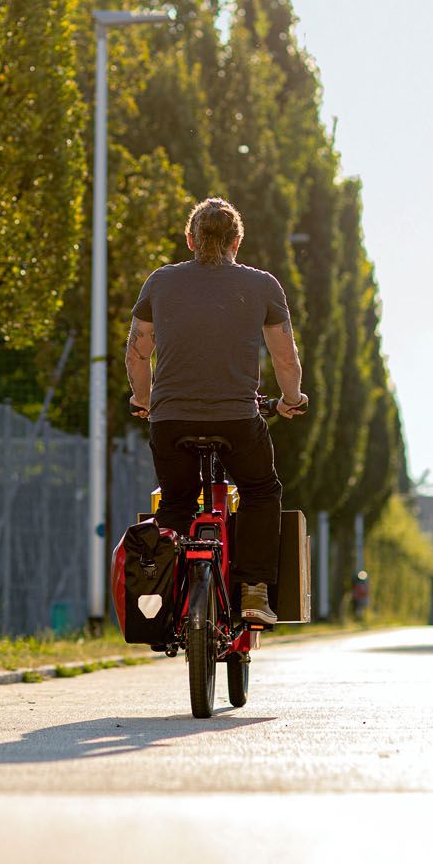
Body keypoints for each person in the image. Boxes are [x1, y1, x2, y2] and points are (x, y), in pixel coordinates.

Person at [125, 196, 307, 625]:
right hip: (238, 420)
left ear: (190, 239)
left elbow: (137, 354)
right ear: (237, 242)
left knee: (175, 503)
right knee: (262, 492)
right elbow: (285, 358)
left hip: (171, 421)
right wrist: (291, 400)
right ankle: (255, 591)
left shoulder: (160, 282)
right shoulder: (262, 285)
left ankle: (162, 599)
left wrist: (146, 402)